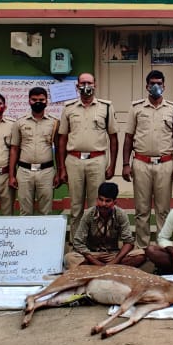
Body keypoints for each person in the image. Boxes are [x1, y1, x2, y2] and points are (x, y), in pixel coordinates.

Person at [122, 70, 173, 248]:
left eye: (159, 83)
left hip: (165, 164)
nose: (155, 86)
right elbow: (128, 137)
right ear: (146, 86)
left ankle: (162, 247)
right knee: (141, 210)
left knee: (163, 210)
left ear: (164, 86)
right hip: (141, 163)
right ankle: (142, 248)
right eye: (152, 83)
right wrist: (126, 164)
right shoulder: (136, 108)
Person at [57, 73, 118, 234]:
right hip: (74, 160)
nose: (86, 86)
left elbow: (113, 138)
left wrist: (112, 165)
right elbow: (62, 139)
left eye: (89, 82)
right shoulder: (68, 108)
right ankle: (77, 242)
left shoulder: (106, 107)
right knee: (75, 206)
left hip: (97, 160)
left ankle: (94, 239)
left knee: (96, 205)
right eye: (83, 83)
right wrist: (61, 168)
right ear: (77, 86)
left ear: (95, 84)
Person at [64, 182, 146, 269]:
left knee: (141, 255)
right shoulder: (89, 214)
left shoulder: (121, 214)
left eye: (107, 201)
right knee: (69, 258)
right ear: (97, 199)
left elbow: (129, 242)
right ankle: (110, 269)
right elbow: (78, 242)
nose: (103, 204)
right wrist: (96, 262)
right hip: (92, 254)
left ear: (115, 202)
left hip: (112, 255)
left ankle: (98, 269)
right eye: (101, 199)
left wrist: (114, 261)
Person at [9, 87, 59, 215]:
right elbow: (14, 149)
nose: (38, 102)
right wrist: (11, 175)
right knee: (25, 211)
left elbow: (58, 149)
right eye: (34, 99)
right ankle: (26, 235)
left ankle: (44, 235)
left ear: (47, 101)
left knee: (46, 211)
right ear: (29, 101)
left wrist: (59, 172)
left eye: (41, 99)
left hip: (46, 172)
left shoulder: (54, 123)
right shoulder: (19, 123)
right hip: (24, 171)